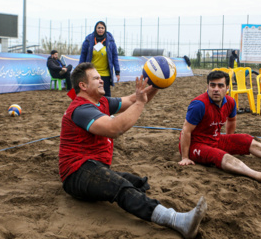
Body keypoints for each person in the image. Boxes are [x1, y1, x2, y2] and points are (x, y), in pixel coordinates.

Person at [59, 62, 207, 239]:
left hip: (94, 166)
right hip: (76, 173)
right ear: (82, 85)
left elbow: (131, 100)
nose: (101, 81)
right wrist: (140, 104)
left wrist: (157, 84)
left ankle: (143, 203)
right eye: (96, 78)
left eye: (100, 77)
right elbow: (115, 129)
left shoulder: (102, 102)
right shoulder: (81, 108)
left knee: (136, 183)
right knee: (120, 187)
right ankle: (176, 220)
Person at [178, 70, 261, 184]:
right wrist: (185, 157)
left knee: (246, 139)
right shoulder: (199, 104)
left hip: (215, 139)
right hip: (195, 145)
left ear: (227, 88)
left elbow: (232, 120)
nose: (216, 89)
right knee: (219, 155)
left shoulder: (230, 102)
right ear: (207, 87)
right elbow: (186, 130)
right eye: (212, 85)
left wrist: (229, 141)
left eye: (220, 85)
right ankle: (259, 175)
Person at [79, 21, 120, 97]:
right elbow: (83, 56)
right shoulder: (88, 41)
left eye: (102, 28)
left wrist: (117, 72)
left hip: (105, 74)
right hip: (92, 73)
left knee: (106, 95)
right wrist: (80, 69)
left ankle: (106, 108)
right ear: (95, 29)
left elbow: (115, 57)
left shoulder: (111, 42)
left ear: (105, 29)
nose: (100, 29)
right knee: (92, 93)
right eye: (99, 28)